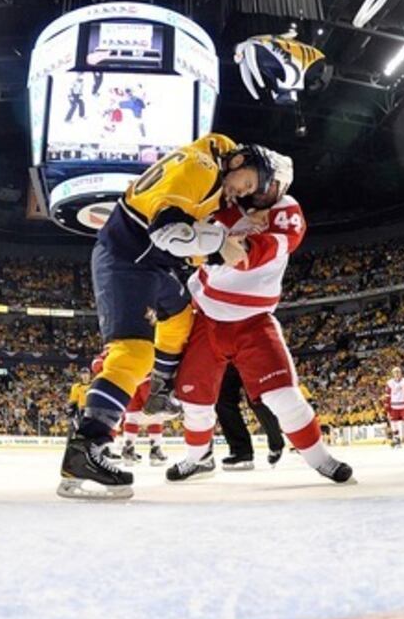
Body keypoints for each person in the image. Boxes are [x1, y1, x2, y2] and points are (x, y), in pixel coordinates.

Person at [57, 133, 272, 499]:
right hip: (125, 261)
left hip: (153, 266)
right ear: (235, 162)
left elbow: (184, 242)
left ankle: (160, 390)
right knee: (134, 354)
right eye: (247, 183)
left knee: (180, 316)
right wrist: (221, 244)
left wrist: (227, 236)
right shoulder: (200, 167)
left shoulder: (210, 173)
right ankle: (86, 448)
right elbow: (168, 232)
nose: (243, 193)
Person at [163, 169, 353, 485]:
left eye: (251, 182)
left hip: (252, 322)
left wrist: (234, 246)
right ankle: (197, 460)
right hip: (206, 318)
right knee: (194, 401)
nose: (243, 188)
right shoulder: (216, 202)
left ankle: (321, 459)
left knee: (282, 396)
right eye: (239, 180)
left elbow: (270, 246)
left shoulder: (285, 208)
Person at [215, 364, 286, 469]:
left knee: (256, 399)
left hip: (251, 354)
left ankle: (276, 442)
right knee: (223, 401)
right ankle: (241, 452)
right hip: (226, 357)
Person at [383, 366, 404, 448]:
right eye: (395, 372)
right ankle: (397, 439)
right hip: (394, 406)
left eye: (398, 372)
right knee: (393, 423)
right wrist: (387, 408)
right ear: (392, 374)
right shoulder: (389, 383)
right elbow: (387, 396)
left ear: (401, 373)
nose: (397, 374)